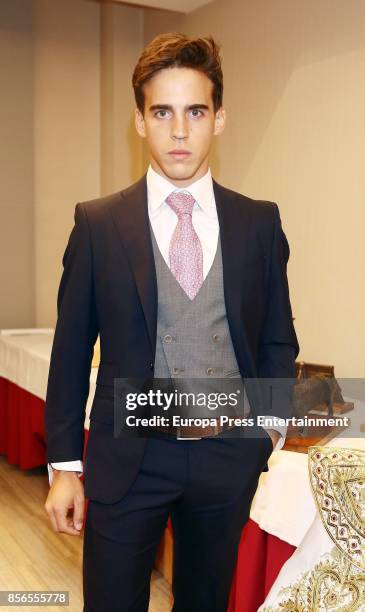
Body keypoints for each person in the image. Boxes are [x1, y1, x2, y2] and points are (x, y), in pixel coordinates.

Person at [44, 33, 299, 612]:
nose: (179, 130)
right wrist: (64, 466)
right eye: (162, 111)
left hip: (228, 455)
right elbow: (70, 349)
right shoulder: (99, 224)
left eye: (195, 111)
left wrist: (268, 430)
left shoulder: (259, 224)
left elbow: (277, 337)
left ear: (220, 119)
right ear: (140, 121)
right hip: (127, 459)